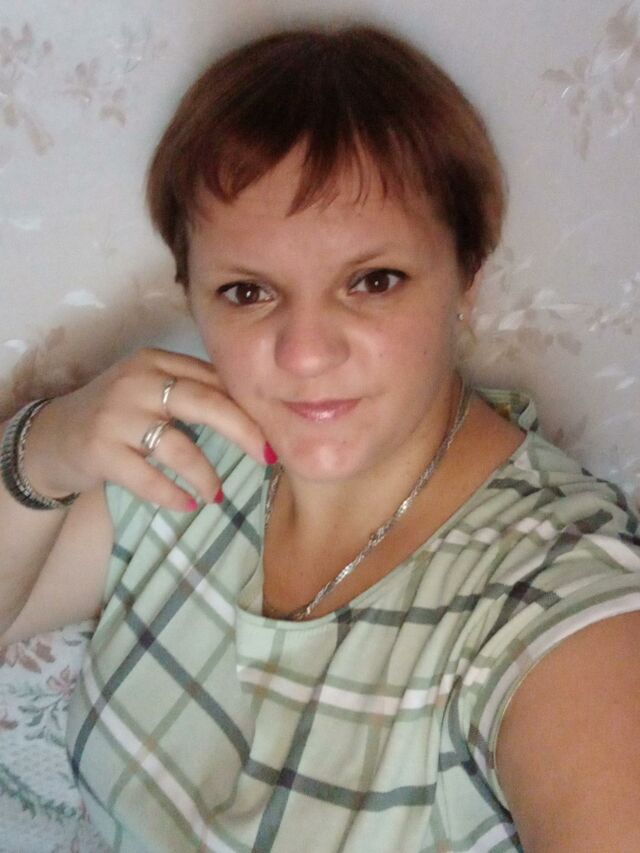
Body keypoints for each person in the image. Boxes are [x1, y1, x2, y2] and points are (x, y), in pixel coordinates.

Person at [1, 22, 639, 852]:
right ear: (191, 294)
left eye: (373, 281)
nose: (305, 353)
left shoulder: (549, 589)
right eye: (247, 291)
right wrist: (47, 447)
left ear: (467, 278)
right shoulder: (197, 455)